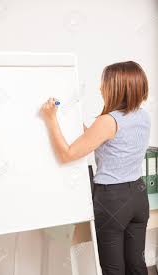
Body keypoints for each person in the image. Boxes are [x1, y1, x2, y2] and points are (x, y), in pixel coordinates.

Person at [39, 61, 151, 275]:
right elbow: (106, 141)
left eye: (104, 83)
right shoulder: (143, 116)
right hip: (138, 196)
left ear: (116, 87)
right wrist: (71, 120)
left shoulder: (108, 121)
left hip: (112, 199)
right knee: (136, 265)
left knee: (113, 269)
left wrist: (51, 120)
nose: (100, 88)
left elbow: (67, 155)